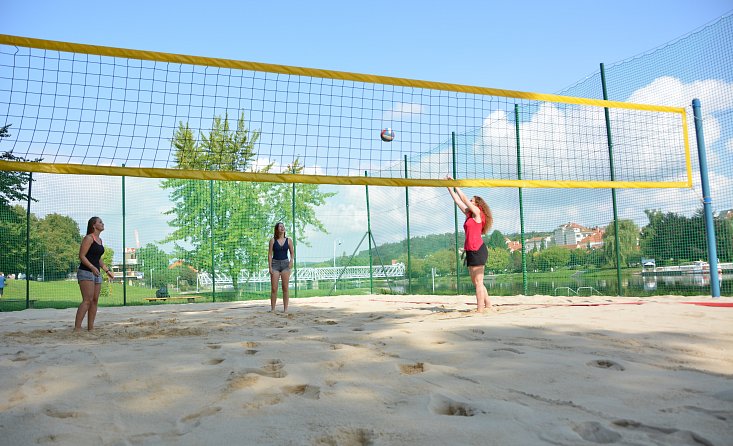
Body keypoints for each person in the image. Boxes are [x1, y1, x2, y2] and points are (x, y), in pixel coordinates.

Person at [446, 176, 493, 312]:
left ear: (477, 205)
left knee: (478, 282)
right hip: (470, 250)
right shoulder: (468, 214)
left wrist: (455, 184)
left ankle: (480, 309)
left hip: (478, 249)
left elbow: (464, 199)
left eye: (472, 202)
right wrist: (448, 186)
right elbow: (457, 200)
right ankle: (488, 304)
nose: (469, 203)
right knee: (476, 282)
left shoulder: (478, 213)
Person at [74, 217, 114, 331]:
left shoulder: (100, 240)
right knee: (87, 300)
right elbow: (81, 256)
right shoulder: (88, 238)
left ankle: (91, 328)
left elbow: (98, 259)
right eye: (100, 222)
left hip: (96, 273)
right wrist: (91, 267)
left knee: (95, 300)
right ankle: (77, 328)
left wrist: (107, 271)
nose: (102, 223)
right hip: (86, 271)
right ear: (93, 225)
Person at [268, 222, 294, 312]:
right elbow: (270, 254)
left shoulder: (289, 240)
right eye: (280, 227)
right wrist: (270, 267)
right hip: (275, 265)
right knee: (274, 288)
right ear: (276, 229)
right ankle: (273, 309)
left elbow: (292, 253)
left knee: (285, 287)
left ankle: (285, 309)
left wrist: (291, 261)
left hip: (285, 265)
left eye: (283, 226)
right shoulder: (272, 240)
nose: (282, 228)